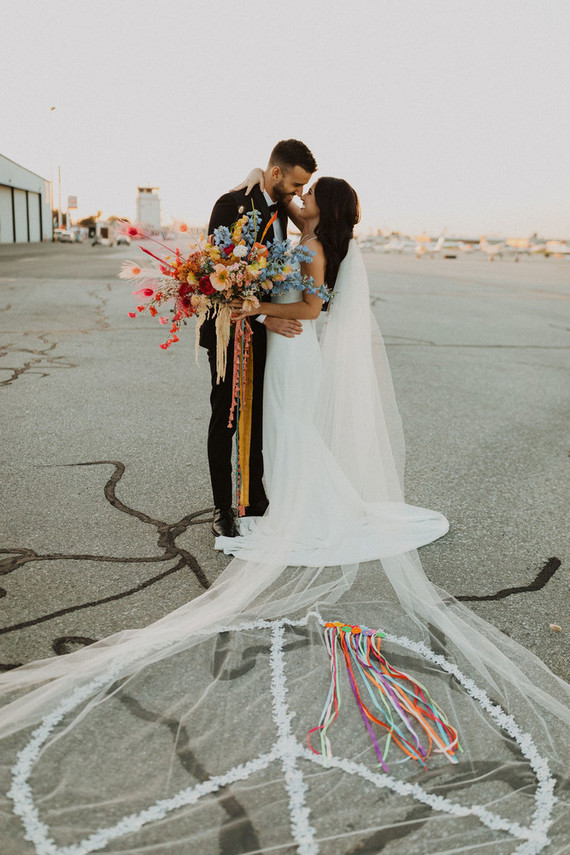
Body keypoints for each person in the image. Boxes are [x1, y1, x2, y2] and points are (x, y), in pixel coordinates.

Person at [0, 171, 568, 854]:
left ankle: (302, 501)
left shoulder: (315, 248)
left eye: (307, 195)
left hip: (294, 354)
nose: (297, 200)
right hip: (291, 355)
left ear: (319, 205)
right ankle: (281, 494)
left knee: (289, 431)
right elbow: (299, 282)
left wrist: (258, 309)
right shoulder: (310, 236)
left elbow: (307, 310)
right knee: (281, 431)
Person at [202, 139, 317, 539]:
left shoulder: (278, 205)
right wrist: (265, 315)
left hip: (264, 329)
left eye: (305, 188)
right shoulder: (232, 204)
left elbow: (310, 225)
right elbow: (217, 276)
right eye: (296, 185)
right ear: (275, 173)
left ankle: (253, 501)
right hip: (231, 330)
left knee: (257, 417)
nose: (300, 194)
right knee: (227, 418)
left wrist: (286, 201)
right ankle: (221, 509)